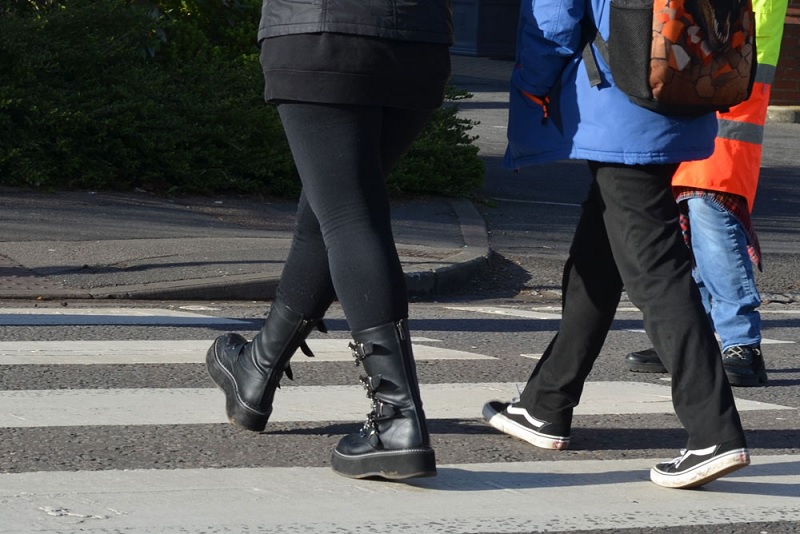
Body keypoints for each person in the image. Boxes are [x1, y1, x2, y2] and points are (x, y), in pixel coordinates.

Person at [482, 0, 751, 488]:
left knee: (657, 270)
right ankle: (546, 404)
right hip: (680, 87)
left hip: (621, 100)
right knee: (598, 257)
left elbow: (554, 21)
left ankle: (713, 432)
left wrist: (531, 87)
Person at [205, 0, 453, 481]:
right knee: (330, 209)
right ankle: (257, 368)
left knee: (347, 216)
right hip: (418, 42)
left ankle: (397, 420)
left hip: (320, 33)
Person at [625, 0, 788, 387]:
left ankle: (740, 343)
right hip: (698, 51)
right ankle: (690, 340)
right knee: (689, 208)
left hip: (728, 55)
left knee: (708, 203)